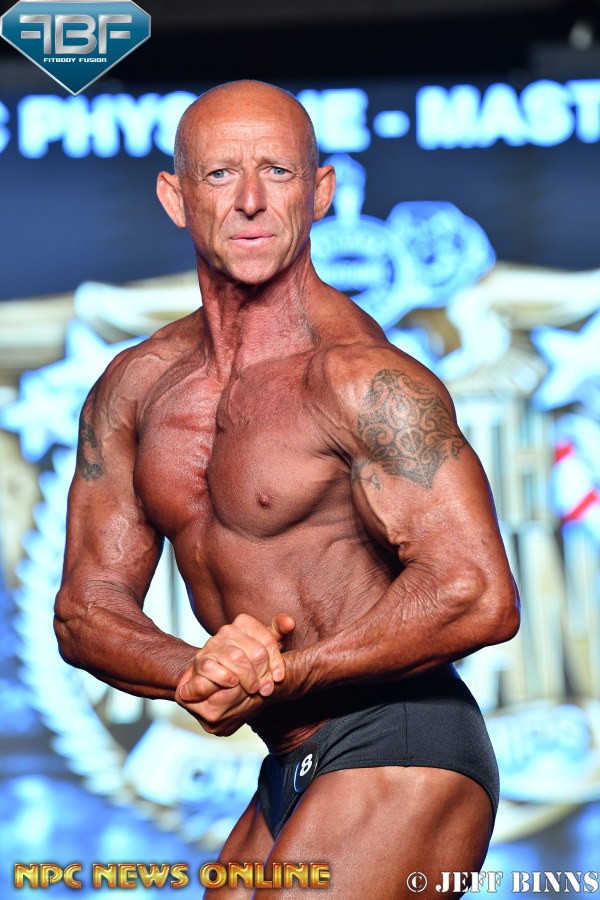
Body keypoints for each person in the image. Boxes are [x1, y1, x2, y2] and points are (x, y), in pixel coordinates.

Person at [54, 79, 520, 898]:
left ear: (321, 191)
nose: (250, 201)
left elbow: (477, 593)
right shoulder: (134, 388)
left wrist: (286, 674)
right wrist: (193, 668)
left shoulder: (361, 379)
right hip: (287, 761)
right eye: (219, 174)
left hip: (402, 741)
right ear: (175, 197)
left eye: (277, 171)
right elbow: (85, 611)